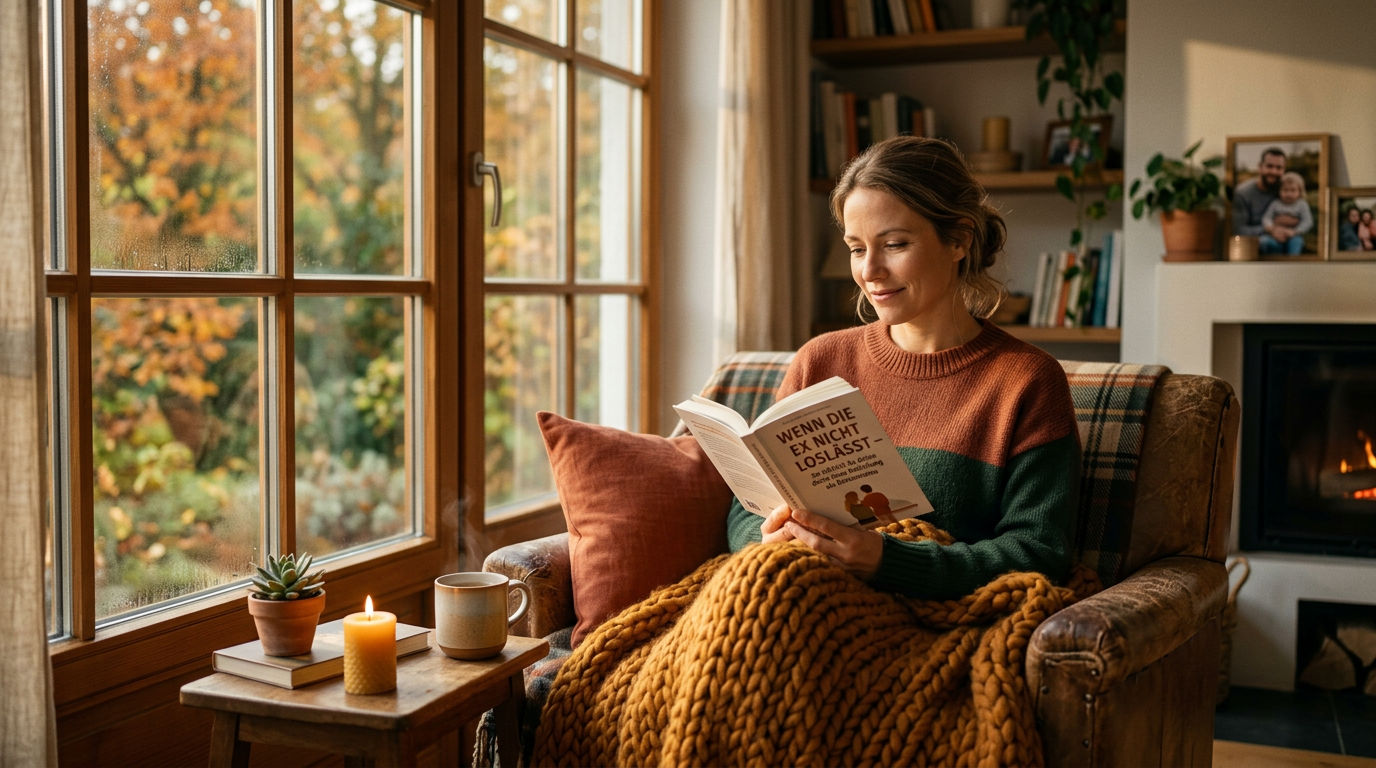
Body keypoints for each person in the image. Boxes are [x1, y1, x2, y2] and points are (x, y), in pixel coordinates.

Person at [725, 136, 1080, 600]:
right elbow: (745, 511)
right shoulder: (821, 361)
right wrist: (765, 538)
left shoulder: (1027, 382)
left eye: (894, 244)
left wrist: (887, 562)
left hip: (928, 617)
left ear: (959, 240)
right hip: (793, 587)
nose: (870, 270)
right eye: (856, 248)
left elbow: (1040, 552)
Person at [1233, 147, 1288, 240]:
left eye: (1278, 168)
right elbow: (1238, 230)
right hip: (1254, 246)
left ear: (1284, 170)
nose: (1274, 171)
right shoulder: (1242, 193)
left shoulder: (1287, 190)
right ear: (1260, 167)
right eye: (1269, 166)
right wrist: (1269, 229)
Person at [1259, 172, 1312, 255]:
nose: (1289, 194)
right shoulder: (1275, 204)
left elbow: (1307, 221)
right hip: (1275, 235)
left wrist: (1295, 231)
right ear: (1279, 191)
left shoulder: (1302, 205)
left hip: (1293, 236)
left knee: (1297, 242)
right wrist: (1272, 229)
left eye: (1293, 190)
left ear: (1300, 191)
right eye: (1285, 190)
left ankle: (1292, 264)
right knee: (1264, 241)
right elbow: (1266, 217)